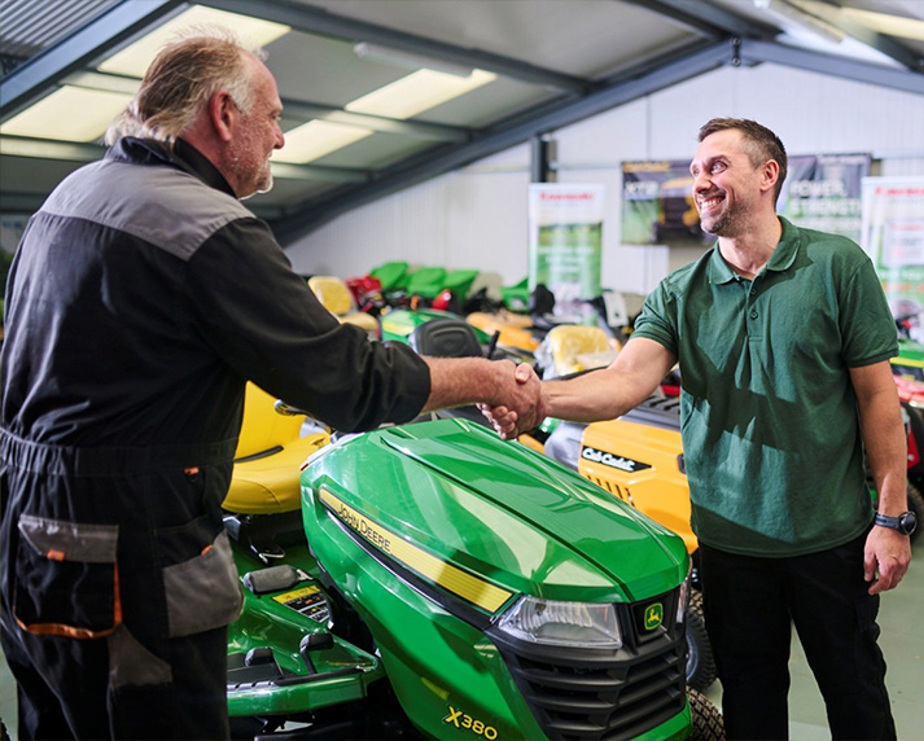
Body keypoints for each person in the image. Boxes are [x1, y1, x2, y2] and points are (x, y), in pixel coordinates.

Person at [0, 32, 544, 740]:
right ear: (224, 113)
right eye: (274, 116)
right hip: (126, 563)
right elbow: (351, 382)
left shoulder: (73, 195)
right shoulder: (202, 224)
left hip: (30, 537)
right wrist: (487, 376)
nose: (283, 139)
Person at [488, 117, 910, 740]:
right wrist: (538, 398)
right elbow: (625, 381)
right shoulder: (680, 292)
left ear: (768, 175)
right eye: (695, 171)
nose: (700, 182)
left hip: (831, 537)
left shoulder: (836, 265)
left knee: (856, 695)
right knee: (750, 698)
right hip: (729, 542)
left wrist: (891, 517)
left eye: (716, 167)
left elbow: (878, 397)